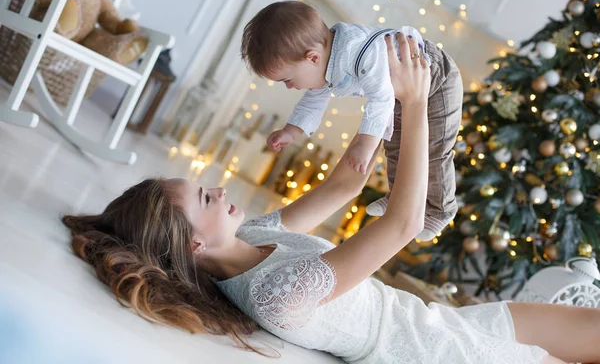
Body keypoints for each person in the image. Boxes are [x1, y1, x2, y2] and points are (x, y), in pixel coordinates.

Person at [63, 33, 599, 364]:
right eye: (206, 197)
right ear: (196, 245)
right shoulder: (277, 292)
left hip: (444, 322)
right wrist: (413, 108)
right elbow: (404, 222)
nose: (221, 189)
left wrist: (373, 93)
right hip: (450, 356)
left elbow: (347, 182)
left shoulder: (253, 237)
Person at [241, 1, 462, 241]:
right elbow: (312, 101)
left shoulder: (358, 54)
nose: (290, 87)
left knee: (435, 150)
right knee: (395, 144)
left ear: (312, 57)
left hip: (436, 77)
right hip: (399, 91)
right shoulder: (326, 60)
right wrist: (290, 132)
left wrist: (364, 146)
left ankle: (441, 210)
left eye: (287, 79)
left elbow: (380, 99)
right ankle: (395, 194)